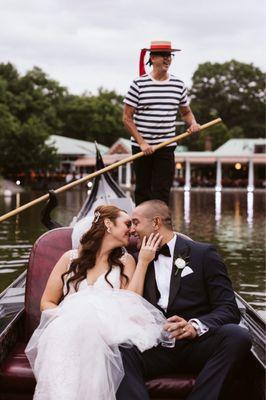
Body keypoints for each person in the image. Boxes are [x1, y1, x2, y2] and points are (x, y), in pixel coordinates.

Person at [25, 205, 167, 400]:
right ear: (108, 224)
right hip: (67, 330)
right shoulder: (70, 259)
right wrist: (74, 318)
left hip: (108, 331)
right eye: (127, 223)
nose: (132, 230)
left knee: (93, 338)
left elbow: (132, 303)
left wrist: (143, 262)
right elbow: (47, 302)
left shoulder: (126, 261)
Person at [117, 200, 252, 400]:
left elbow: (229, 309)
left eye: (135, 222)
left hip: (196, 346)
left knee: (238, 336)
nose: (132, 230)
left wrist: (194, 327)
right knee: (119, 348)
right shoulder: (136, 259)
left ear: (156, 223)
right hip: (155, 346)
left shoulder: (203, 254)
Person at [123, 40, 201, 206]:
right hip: (141, 148)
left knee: (161, 191)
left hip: (166, 146)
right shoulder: (138, 84)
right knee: (143, 190)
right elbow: (127, 118)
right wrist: (142, 143)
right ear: (153, 58)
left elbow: (186, 112)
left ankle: (160, 227)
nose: (168, 59)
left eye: (170, 55)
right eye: (164, 55)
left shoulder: (178, 85)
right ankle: (141, 227)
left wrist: (192, 123)